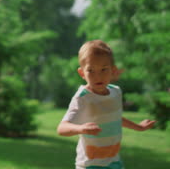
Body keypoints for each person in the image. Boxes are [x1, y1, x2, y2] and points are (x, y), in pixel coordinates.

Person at [57, 40, 155, 169]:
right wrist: (80, 129)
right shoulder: (83, 98)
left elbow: (115, 118)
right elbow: (62, 128)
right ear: (82, 73)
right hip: (90, 164)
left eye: (104, 69)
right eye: (91, 70)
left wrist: (139, 127)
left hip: (114, 161)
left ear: (113, 70)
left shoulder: (116, 92)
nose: (98, 76)